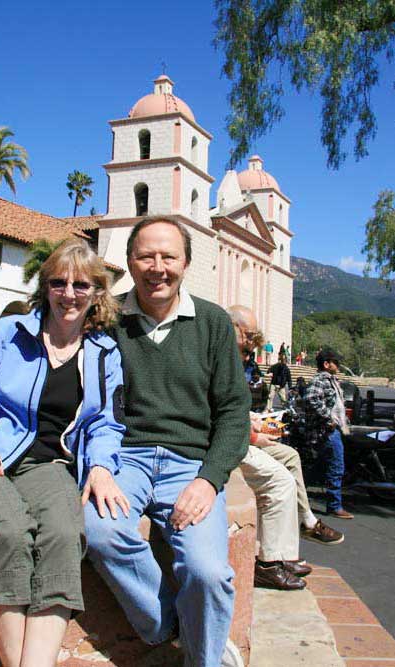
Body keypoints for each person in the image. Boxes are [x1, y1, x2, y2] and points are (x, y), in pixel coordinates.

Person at [0, 238, 129, 667]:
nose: (69, 293)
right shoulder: (8, 334)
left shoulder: (104, 353)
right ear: (45, 288)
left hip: (49, 464)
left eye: (81, 285)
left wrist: (99, 466)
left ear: (97, 293)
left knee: (63, 533)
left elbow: (105, 423)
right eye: (58, 282)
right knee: (8, 531)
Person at [84, 218, 248, 667]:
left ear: (186, 264)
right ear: (130, 262)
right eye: (146, 256)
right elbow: (70, 379)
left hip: (189, 466)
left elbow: (234, 413)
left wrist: (210, 480)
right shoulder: (107, 319)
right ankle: (170, 625)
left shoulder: (212, 323)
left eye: (169, 257)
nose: (158, 267)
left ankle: (204, 659)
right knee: (99, 532)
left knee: (208, 572)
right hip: (125, 459)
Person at [229, 306, 343, 592]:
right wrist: (255, 437)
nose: (248, 355)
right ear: (233, 328)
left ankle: (298, 533)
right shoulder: (219, 358)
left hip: (241, 435)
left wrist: (256, 422)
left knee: (290, 456)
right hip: (231, 445)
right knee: (280, 481)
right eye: (248, 340)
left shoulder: (233, 361)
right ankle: (269, 563)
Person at [304, 348, 353, 519]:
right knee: (336, 467)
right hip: (326, 431)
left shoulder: (330, 380)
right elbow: (311, 398)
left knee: (318, 468)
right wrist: (329, 418)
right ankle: (334, 506)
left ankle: (297, 496)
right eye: (336, 362)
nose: (338, 365)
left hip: (330, 430)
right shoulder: (321, 379)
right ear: (326, 364)